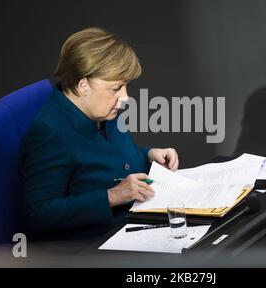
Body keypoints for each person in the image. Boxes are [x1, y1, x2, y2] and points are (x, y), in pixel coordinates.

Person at [19, 27, 179, 241]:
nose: (125, 98)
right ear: (83, 85)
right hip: (93, 243)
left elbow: (111, 158)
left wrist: (149, 154)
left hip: (132, 221)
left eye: (126, 86)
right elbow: (39, 215)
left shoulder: (102, 110)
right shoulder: (50, 132)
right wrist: (112, 196)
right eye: (116, 88)